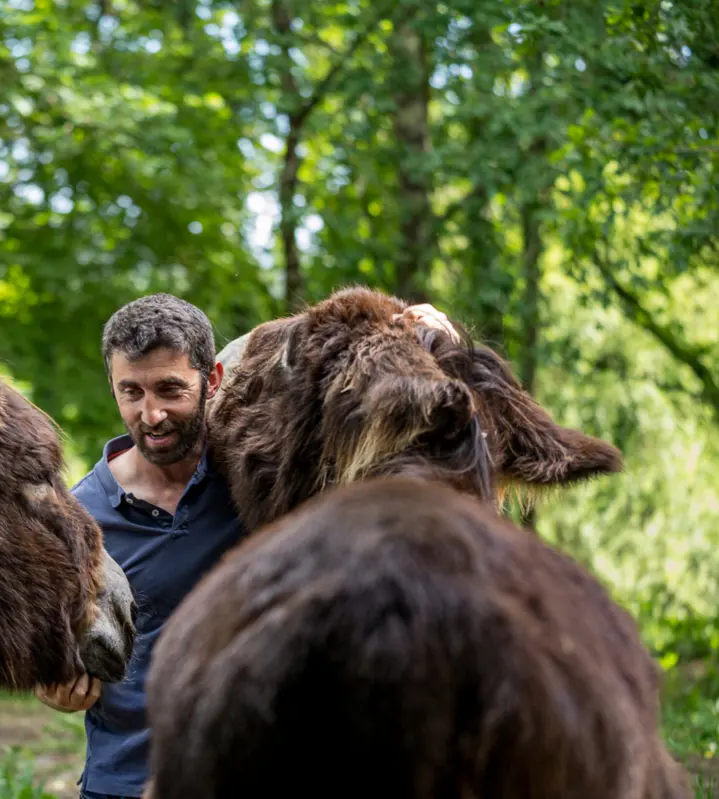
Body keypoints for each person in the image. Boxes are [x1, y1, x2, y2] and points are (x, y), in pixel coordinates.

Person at [34, 294, 458, 799]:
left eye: (171, 390)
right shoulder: (78, 518)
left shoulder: (261, 476)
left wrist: (439, 350)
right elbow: (48, 649)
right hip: (125, 782)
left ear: (212, 380)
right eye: (132, 392)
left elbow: (384, 429)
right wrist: (52, 687)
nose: (151, 414)